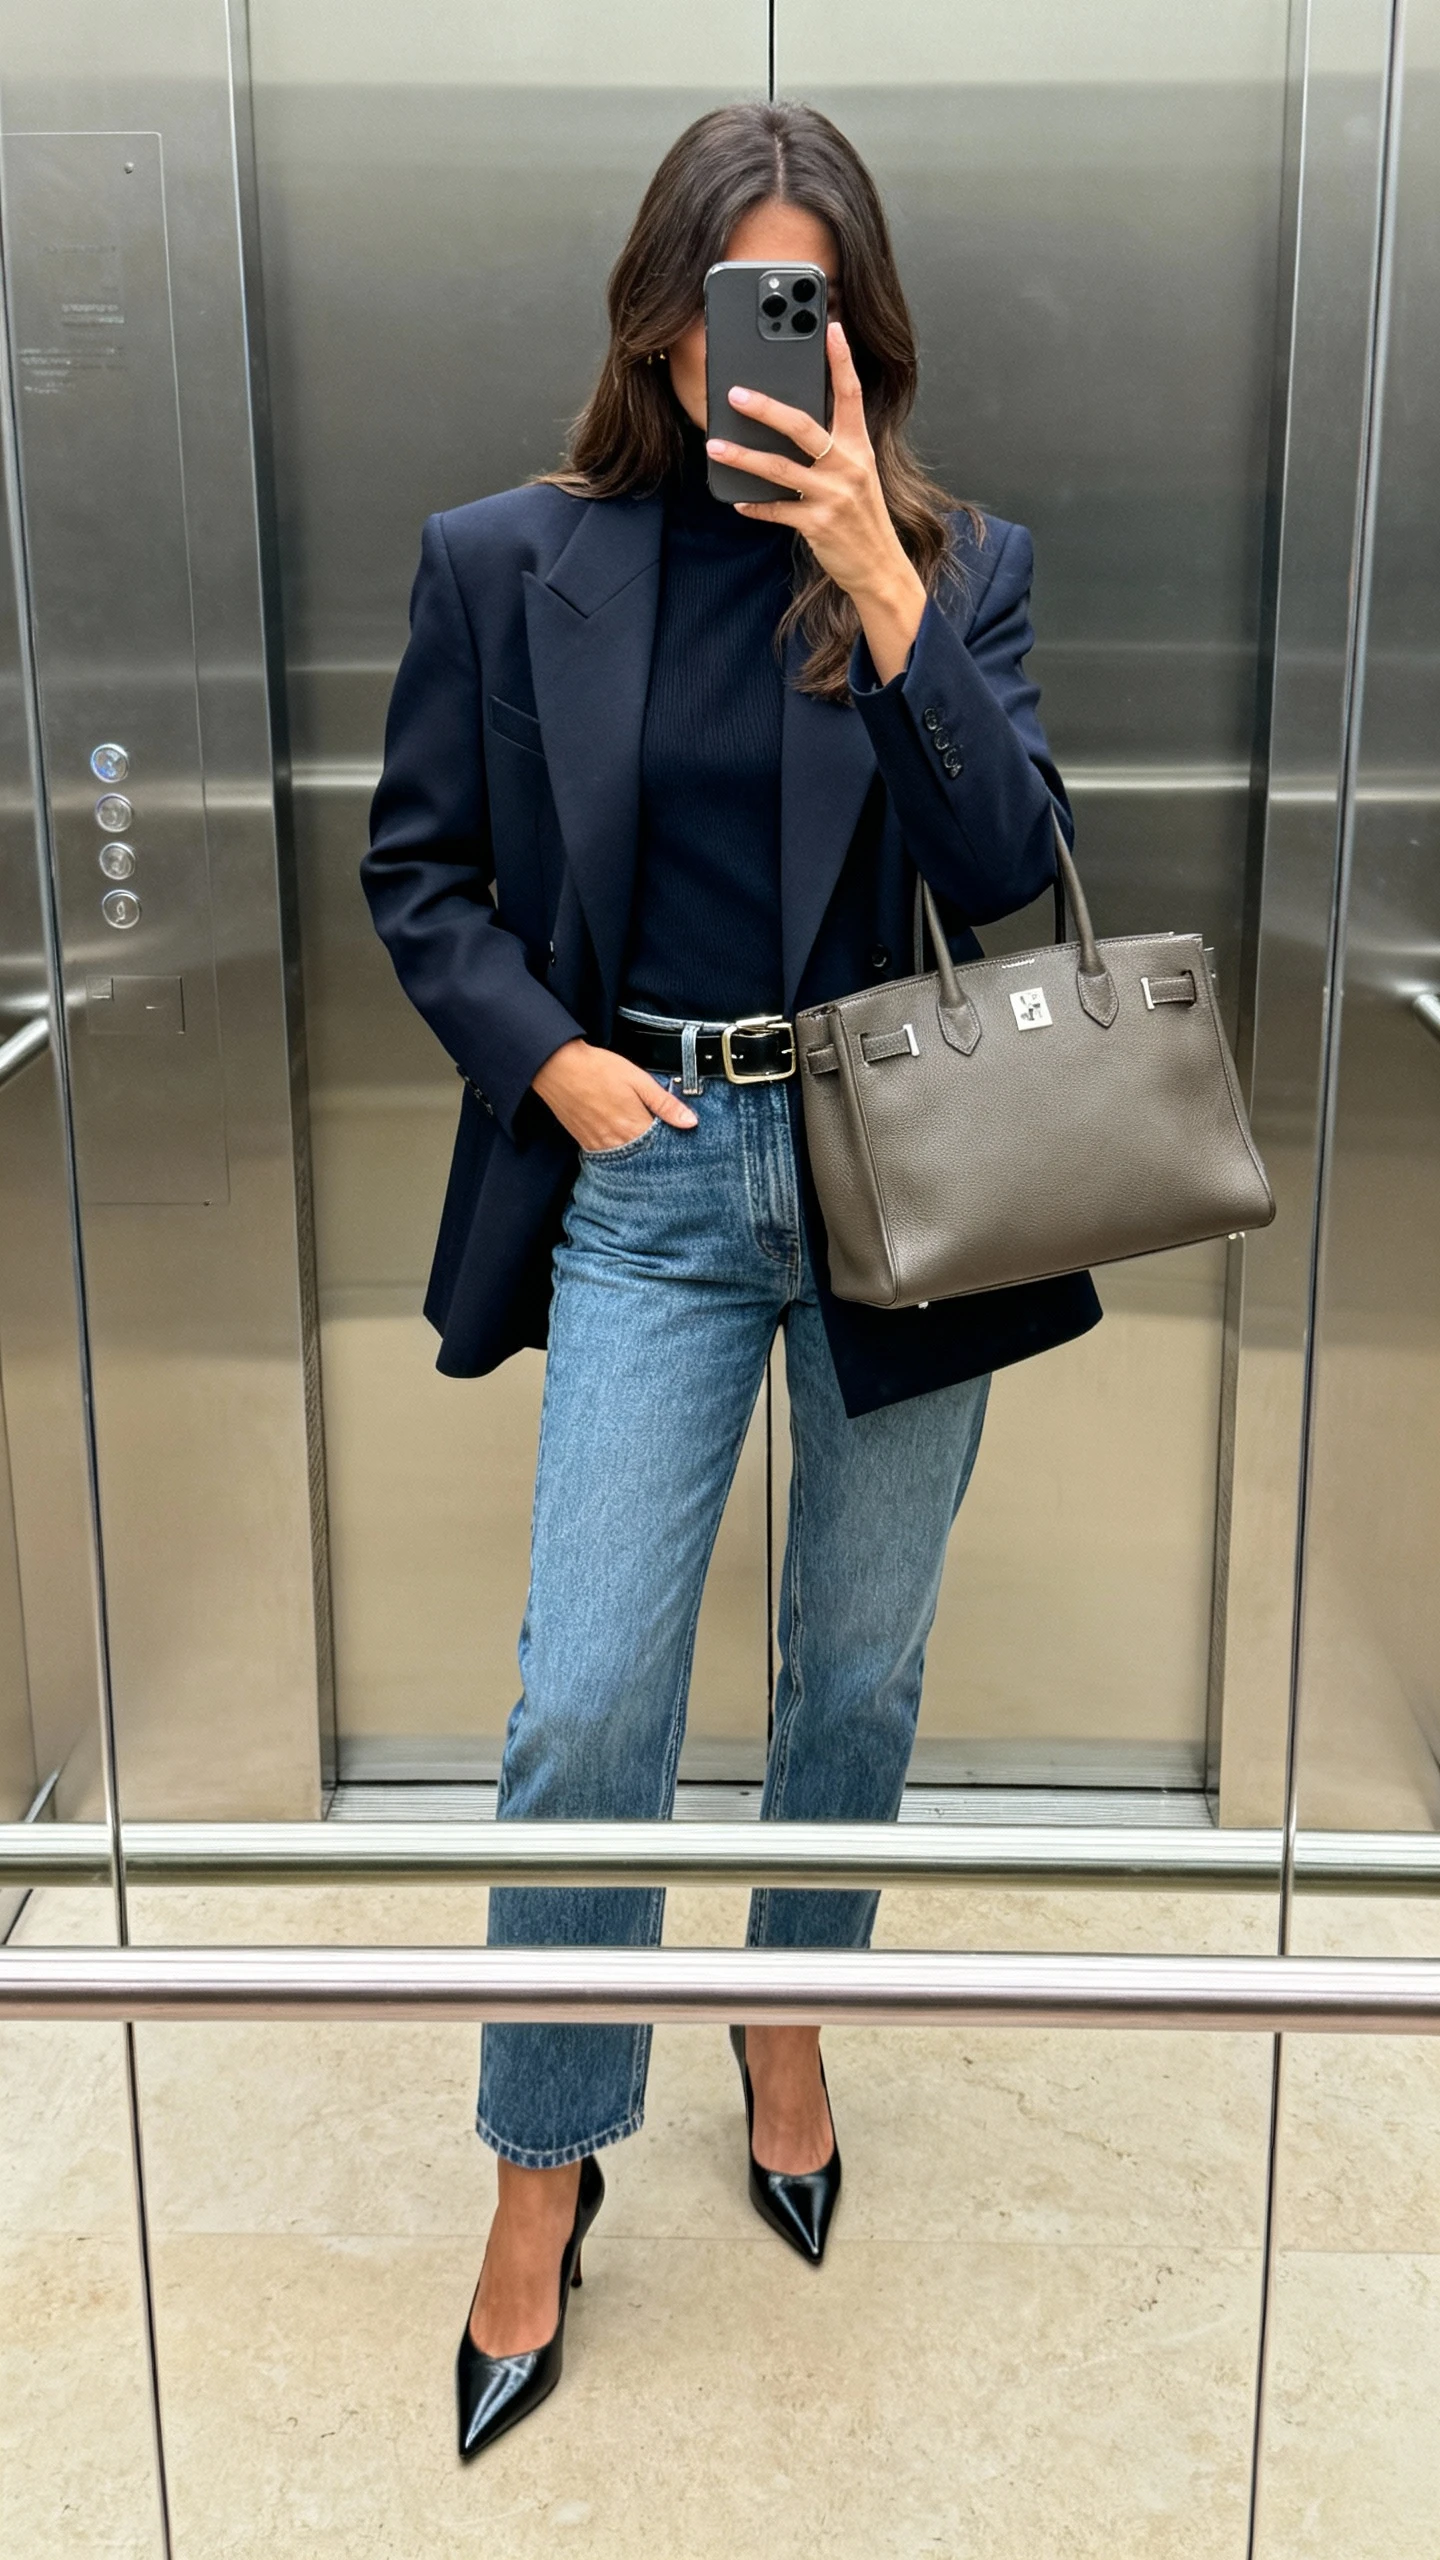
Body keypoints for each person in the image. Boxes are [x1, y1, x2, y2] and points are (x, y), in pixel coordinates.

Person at [363, 97, 1100, 2461]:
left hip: (898, 1170)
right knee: (582, 1704)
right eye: (726, 301)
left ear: (857, 334)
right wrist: (557, 1068)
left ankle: (784, 2013)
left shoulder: (951, 560)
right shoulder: (508, 558)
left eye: (807, 307)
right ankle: (543, 2153)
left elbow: (1002, 862)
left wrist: (882, 575)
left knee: (856, 1671)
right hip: (653, 1168)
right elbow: (421, 877)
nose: (757, 348)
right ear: (663, 311)